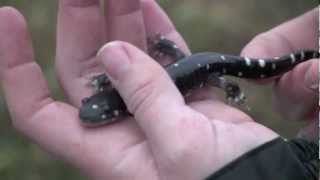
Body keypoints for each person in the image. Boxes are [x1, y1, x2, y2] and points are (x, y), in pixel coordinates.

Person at [0, 0, 318, 179]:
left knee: (221, 75)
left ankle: (295, 60)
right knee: (212, 70)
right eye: (93, 113)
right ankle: (301, 57)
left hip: (208, 66)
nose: (90, 119)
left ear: (113, 113)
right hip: (198, 62)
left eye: (96, 116)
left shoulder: (134, 103)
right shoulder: (125, 101)